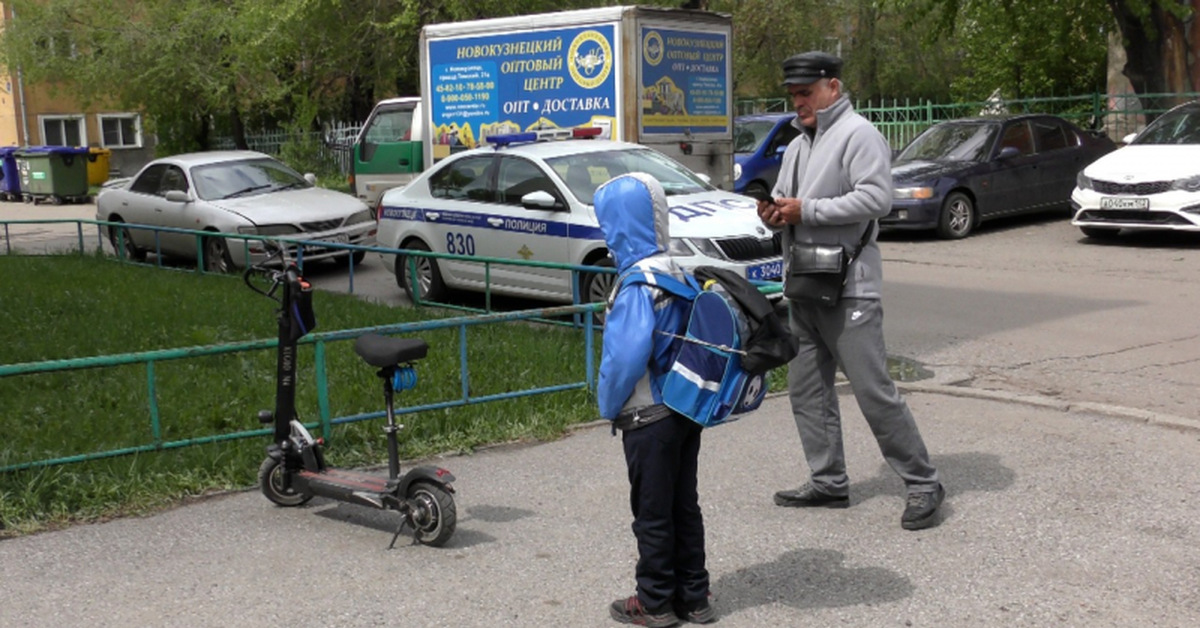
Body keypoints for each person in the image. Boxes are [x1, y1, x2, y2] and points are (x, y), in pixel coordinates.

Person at [757, 51, 945, 530]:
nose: (798, 102)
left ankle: (923, 483)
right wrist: (775, 213)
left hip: (850, 287)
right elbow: (788, 199)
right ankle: (828, 480)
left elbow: (876, 198)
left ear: (833, 88)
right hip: (803, 281)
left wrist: (807, 211)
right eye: (794, 95)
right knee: (806, 390)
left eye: (806, 93)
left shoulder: (860, 134)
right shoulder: (800, 143)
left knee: (872, 391)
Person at [594, 172, 716, 627]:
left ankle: (655, 601)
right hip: (685, 408)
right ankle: (694, 595)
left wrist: (608, 404)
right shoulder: (677, 269)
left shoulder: (634, 284)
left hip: (647, 415)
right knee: (684, 503)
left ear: (620, 225)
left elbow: (625, 358)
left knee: (651, 510)